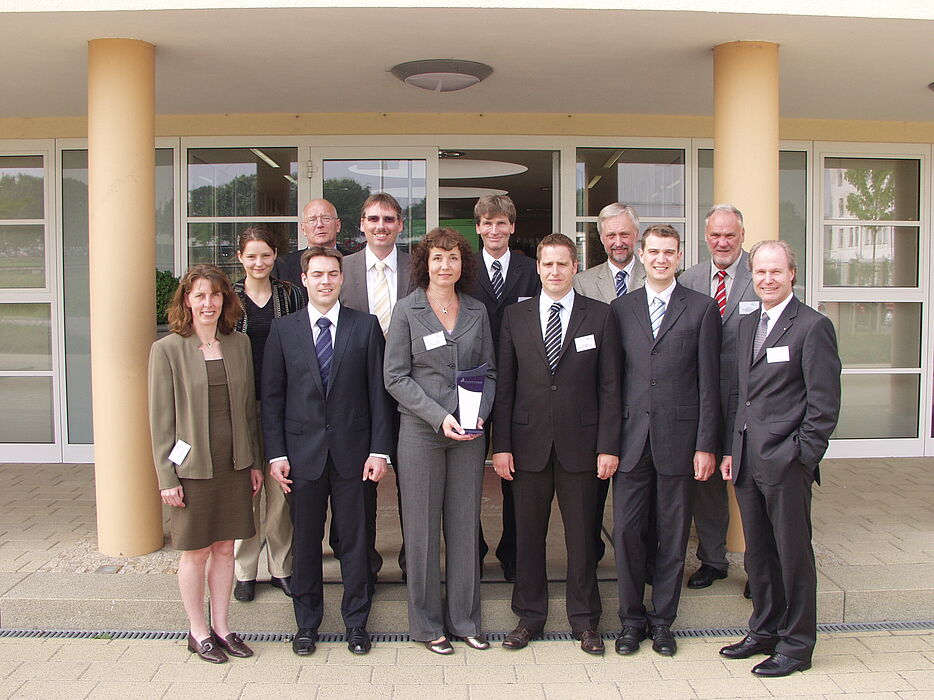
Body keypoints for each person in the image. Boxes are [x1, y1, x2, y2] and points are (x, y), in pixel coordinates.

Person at [492, 233, 620, 655]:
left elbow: (610, 388)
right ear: (538, 268)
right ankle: (528, 618)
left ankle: (585, 622)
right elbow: (505, 387)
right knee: (528, 536)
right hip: (526, 445)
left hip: (583, 446)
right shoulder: (516, 316)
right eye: (547, 264)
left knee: (583, 539)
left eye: (562, 264)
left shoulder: (601, 316)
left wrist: (608, 445)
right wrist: (502, 445)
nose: (554, 271)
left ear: (575, 266)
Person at [262, 246, 392, 657]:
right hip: (302, 458)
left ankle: (356, 624)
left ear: (342, 278)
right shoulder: (284, 330)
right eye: (317, 274)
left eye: (332, 274)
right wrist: (276, 454)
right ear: (304, 279)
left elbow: (379, 395)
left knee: (356, 542)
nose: (325, 281)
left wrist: (379, 451)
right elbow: (273, 398)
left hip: (355, 456)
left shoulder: (366, 326)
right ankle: (306, 625)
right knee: (305, 544)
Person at [718, 240, 841, 677]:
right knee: (759, 554)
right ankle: (765, 629)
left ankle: (797, 645)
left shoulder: (812, 326)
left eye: (775, 271)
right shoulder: (750, 323)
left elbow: (823, 407)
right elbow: (742, 397)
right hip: (748, 461)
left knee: (793, 557)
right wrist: (734, 449)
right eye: (760, 272)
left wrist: (800, 457)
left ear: (792, 274)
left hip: (785, 464)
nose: (767, 279)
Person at [384, 227, 496, 655]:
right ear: (424, 264)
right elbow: (394, 376)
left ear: (462, 264)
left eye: (452, 258)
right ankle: (427, 624)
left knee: (465, 525)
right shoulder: (406, 311)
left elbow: (489, 372)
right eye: (437, 258)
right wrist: (438, 415)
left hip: (469, 433)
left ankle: (466, 620)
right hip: (421, 431)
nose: (445, 265)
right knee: (422, 528)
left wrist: (479, 413)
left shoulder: (477, 311)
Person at [610, 224, 721, 657]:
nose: (660, 259)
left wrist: (706, 445)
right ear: (640, 253)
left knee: (672, 535)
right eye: (653, 251)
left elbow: (709, 384)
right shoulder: (621, 308)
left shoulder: (701, 308)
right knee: (626, 533)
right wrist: (609, 442)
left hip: (680, 441)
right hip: (631, 441)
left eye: (668, 252)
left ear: (679, 257)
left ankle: (662, 622)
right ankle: (630, 621)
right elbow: (612, 383)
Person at [148, 264, 263, 664]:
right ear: (186, 300)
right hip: (192, 469)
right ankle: (198, 633)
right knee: (195, 551)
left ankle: (223, 627)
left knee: (227, 549)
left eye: (215, 295)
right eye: (199, 295)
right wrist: (167, 476)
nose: (208, 303)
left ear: (225, 301)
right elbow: (160, 420)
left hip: (234, 464)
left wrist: (254, 462)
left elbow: (249, 410)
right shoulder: (167, 349)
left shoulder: (238, 344)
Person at [679, 204, 759, 592]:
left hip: (751, 397)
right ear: (705, 237)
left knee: (753, 482)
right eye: (715, 235)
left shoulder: (759, 274)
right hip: (704, 397)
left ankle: (760, 568)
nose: (722, 241)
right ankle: (712, 560)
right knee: (706, 480)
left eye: (730, 234)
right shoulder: (691, 278)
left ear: (742, 235)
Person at [340, 192, 416, 581]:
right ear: (362, 225)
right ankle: (362, 562)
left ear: (400, 225)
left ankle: (412, 560)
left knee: (412, 478)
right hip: (356, 396)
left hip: (410, 391)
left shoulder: (418, 267)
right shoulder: (341, 269)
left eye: (389, 219)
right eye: (373, 219)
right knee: (359, 482)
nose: (381, 226)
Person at [466, 194, 540, 582]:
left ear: (512, 227)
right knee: (468, 472)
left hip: (522, 384)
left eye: (502, 223)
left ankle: (512, 552)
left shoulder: (532, 270)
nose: (494, 230)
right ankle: (473, 550)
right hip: (472, 383)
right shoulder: (464, 268)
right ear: (477, 227)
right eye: (487, 223)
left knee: (517, 475)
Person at [231, 225, 304, 603]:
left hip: (284, 406)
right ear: (240, 257)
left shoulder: (291, 295)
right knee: (245, 491)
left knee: (280, 492)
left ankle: (281, 567)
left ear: (276, 255)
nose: (259, 262)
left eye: (266, 254)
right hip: (240, 407)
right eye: (251, 255)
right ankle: (245, 570)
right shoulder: (227, 298)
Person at [573, 201, 647, 564]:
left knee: (638, 490)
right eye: (611, 235)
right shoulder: (583, 282)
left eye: (625, 234)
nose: (619, 241)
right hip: (595, 402)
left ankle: (638, 559)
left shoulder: (657, 274)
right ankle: (592, 553)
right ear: (601, 239)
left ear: (637, 236)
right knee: (592, 489)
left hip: (642, 398)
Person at [273, 198, 351, 292]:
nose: (319, 225)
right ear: (303, 229)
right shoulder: (282, 266)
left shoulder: (354, 263)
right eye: (312, 220)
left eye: (326, 218)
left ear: (338, 225)